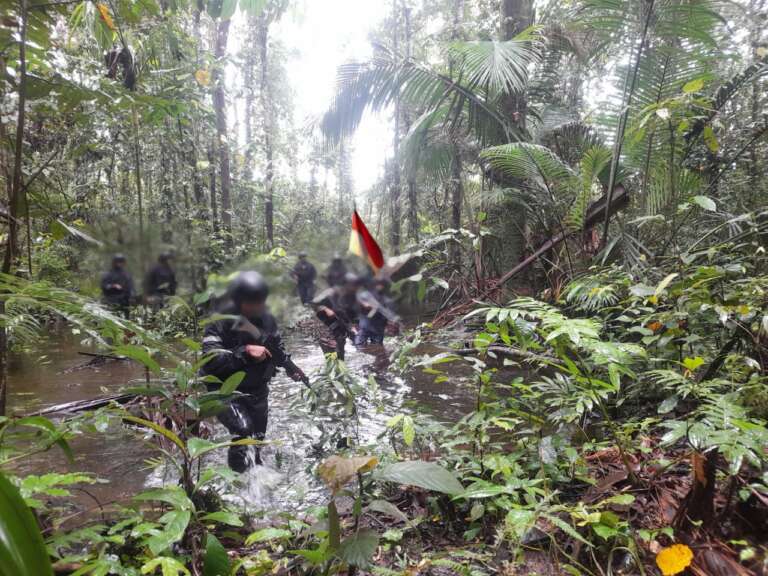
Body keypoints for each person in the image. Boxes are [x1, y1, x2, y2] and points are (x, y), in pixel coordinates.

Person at [201, 271, 306, 472]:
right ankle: (237, 481)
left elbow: (275, 347)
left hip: (257, 387)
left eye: (260, 302)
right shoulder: (219, 321)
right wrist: (245, 352)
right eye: (252, 303)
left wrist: (290, 368)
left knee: (257, 440)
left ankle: (255, 479)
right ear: (239, 301)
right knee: (243, 431)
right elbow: (210, 361)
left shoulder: (266, 318)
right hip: (224, 389)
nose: (257, 307)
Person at [312, 272, 360, 360]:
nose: (354, 288)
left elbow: (352, 313)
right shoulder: (330, 293)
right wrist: (326, 309)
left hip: (342, 321)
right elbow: (314, 304)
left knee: (354, 338)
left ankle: (358, 357)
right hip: (327, 321)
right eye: (353, 285)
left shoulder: (351, 296)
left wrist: (353, 326)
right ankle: (337, 362)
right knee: (336, 343)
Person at [356, 278, 399, 346]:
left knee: (377, 346)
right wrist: (364, 304)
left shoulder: (386, 300)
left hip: (377, 327)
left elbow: (391, 316)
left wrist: (392, 321)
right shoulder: (365, 295)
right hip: (366, 325)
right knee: (360, 345)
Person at [101, 253, 134, 318]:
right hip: (112, 300)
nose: (119, 264)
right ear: (114, 262)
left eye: (121, 262)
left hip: (124, 301)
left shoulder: (127, 275)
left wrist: (132, 296)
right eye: (117, 262)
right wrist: (113, 286)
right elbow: (104, 286)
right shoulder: (108, 274)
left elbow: (131, 287)